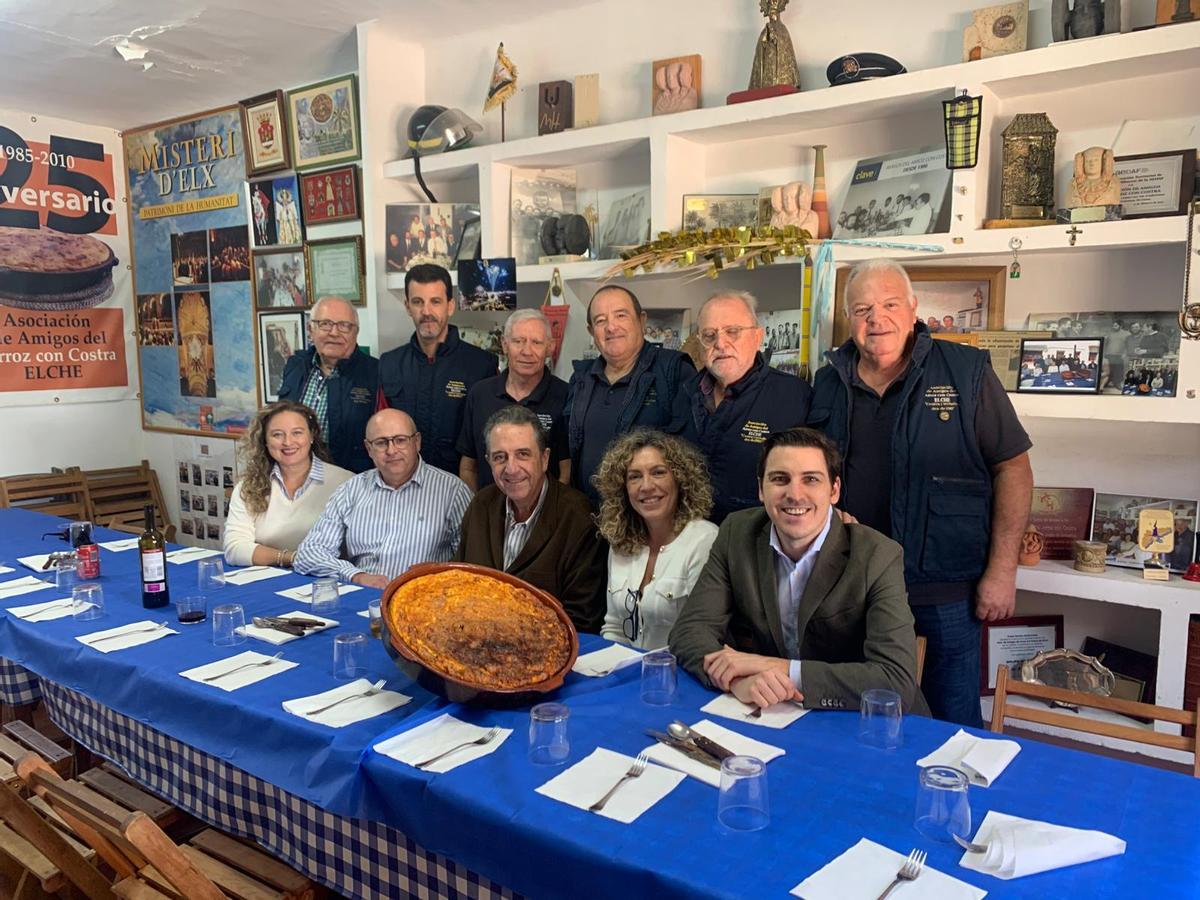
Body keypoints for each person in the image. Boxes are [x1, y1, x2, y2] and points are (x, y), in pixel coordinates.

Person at [807, 258, 1033, 727]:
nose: (876, 318)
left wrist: (1003, 569)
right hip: (852, 582)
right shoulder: (828, 381)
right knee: (856, 712)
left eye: (890, 304)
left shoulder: (965, 371)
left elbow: (1012, 466)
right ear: (850, 319)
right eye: (863, 308)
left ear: (913, 309)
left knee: (950, 721)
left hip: (943, 586)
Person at [669, 428, 926, 713]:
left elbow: (895, 682)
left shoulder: (878, 555)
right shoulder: (736, 532)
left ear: (834, 490)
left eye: (811, 479)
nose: (794, 494)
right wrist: (738, 680)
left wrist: (774, 667)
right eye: (780, 479)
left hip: (861, 722)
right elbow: (689, 632)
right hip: (773, 712)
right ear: (760, 488)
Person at [455, 406, 606, 633]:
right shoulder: (480, 505)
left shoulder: (579, 518)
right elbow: (458, 582)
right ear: (488, 462)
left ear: (545, 459)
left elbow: (582, 619)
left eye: (523, 454)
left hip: (544, 655)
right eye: (500, 457)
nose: (511, 468)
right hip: (474, 644)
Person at [669, 291, 811, 522]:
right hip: (689, 537)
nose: (720, 343)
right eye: (709, 335)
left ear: (758, 337)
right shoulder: (685, 393)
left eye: (732, 332)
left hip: (755, 543)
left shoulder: (794, 396)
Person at [293, 408, 472, 588]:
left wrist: (434, 575)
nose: (391, 450)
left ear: (417, 442)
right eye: (381, 443)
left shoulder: (452, 492)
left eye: (400, 440)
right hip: (361, 596)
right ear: (368, 449)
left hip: (425, 599)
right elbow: (309, 553)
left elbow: (471, 566)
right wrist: (356, 575)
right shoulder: (351, 489)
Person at [566, 285, 694, 506]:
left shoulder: (673, 371)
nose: (611, 327)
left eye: (621, 315)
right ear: (591, 331)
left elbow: (690, 457)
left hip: (649, 519)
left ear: (642, 321)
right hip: (588, 517)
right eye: (600, 320)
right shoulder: (581, 379)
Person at [595, 430, 718, 650]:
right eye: (634, 476)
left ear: (680, 480)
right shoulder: (620, 541)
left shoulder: (704, 540)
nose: (646, 486)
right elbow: (614, 626)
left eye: (658, 472)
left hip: (681, 673)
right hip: (629, 672)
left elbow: (701, 637)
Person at [378, 264, 497, 475]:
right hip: (401, 489)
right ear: (407, 306)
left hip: (460, 489)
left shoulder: (482, 366)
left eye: (435, 302)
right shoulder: (389, 365)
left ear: (450, 306)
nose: (426, 312)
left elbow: (489, 440)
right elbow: (381, 434)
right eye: (417, 302)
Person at [224, 401, 353, 568]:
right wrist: (291, 558)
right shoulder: (248, 486)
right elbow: (234, 549)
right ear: (265, 440)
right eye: (277, 434)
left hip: (326, 580)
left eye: (297, 433)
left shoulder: (346, 483)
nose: (288, 442)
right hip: (264, 582)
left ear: (312, 435)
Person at [457, 309, 570, 491]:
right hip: (489, 515)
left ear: (550, 347)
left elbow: (567, 471)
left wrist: (546, 512)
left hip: (548, 515)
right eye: (518, 341)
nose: (527, 351)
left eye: (537, 342)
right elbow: (468, 466)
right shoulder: (480, 394)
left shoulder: (566, 395)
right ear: (504, 344)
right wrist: (480, 510)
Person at [277, 296, 377, 473]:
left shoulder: (376, 373)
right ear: (311, 329)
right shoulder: (295, 366)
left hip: (349, 482)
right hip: (294, 476)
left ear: (356, 332)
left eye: (344, 326)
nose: (334, 333)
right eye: (325, 324)